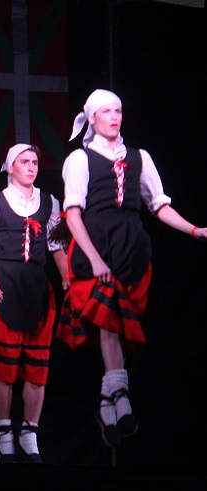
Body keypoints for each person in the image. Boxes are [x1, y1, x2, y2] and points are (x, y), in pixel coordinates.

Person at [57, 89, 207, 449]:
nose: (114, 116)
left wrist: (194, 229)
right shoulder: (80, 160)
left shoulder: (140, 157)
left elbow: (158, 204)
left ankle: (107, 405)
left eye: (118, 110)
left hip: (131, 248)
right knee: (108, 323)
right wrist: (93, 257)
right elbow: (72, 214)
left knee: (118, 327)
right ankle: (120, 397)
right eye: (106, 111)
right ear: (91, 118)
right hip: (96, 244)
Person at [0, 143, 69, 463]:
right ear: (11, 167)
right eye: (25, 162)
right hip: (5, 286)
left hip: (36, 288)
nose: (31, 167)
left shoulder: (49, 202)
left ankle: (30, 432)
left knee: (37, 369)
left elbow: (56, 245)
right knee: (5, 369)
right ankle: (5, 430)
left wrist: (66, 278)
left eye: (35, 162)